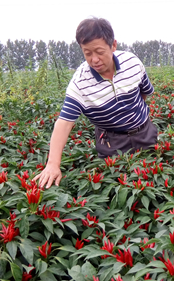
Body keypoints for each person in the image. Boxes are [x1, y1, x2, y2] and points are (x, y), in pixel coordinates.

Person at [35, 17, 157, 188]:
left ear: (113, 45)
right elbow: (64, 123)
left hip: (145, 133)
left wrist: (132, 115)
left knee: (154, 178)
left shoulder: (132, 63)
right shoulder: (80, 83)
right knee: (117, 187)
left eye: (99, 52)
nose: (94, 60)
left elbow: (144, 92)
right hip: (112, 142)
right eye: (87, 53)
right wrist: (53, 164)